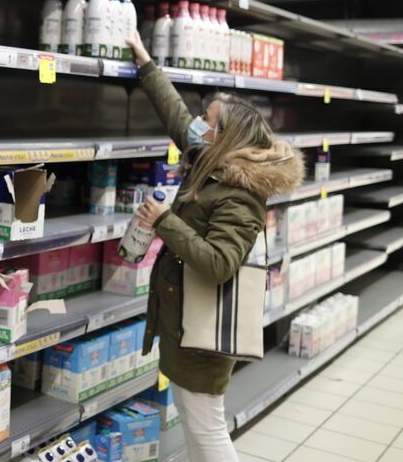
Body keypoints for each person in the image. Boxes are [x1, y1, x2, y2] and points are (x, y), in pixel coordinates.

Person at [126, 31, 304, 462]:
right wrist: (143, 57)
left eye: (206, 120)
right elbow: (174, 115)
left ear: (224, 138)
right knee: (195, 424)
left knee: (206, 430)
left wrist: (164, 221)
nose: (197, 124)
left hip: (204, 334)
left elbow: (221, 264)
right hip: (186, 324)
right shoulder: (213, 163)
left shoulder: (239, 195)